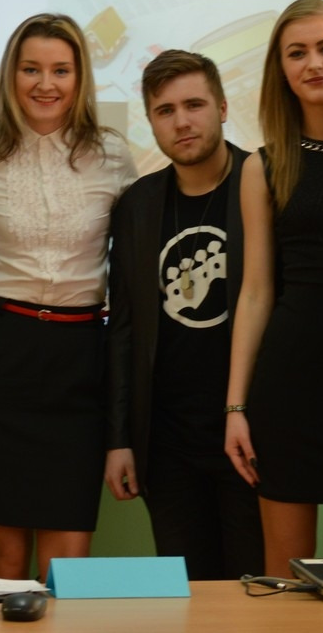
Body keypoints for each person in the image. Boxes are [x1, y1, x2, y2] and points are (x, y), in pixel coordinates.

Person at [0, 12, 136, 581]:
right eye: (31, 69)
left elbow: (130, 262)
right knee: (3, 561)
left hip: (79, 362)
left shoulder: (113, 154)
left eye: (61, 70)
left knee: (67, 564)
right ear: (12, 74)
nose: (45, 84)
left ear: (81, 78)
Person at [223, 0, 323, 577]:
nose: (314, 63)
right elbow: (256, 293)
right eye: (297, 53)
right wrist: (236, 407)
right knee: (284, 586)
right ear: (281, 70)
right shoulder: (263, 166)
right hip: (289, 387)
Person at [104, 49, 263, 580]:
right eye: (165, 111)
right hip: (167, 443)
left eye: (194, 105)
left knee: (254, 591)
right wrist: (120, 439)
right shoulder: (138, 205)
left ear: (223, 107)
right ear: (151, 122)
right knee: (189, 594)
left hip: (250, 434)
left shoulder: (263, 184)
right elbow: (123, 330)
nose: (182, 122)